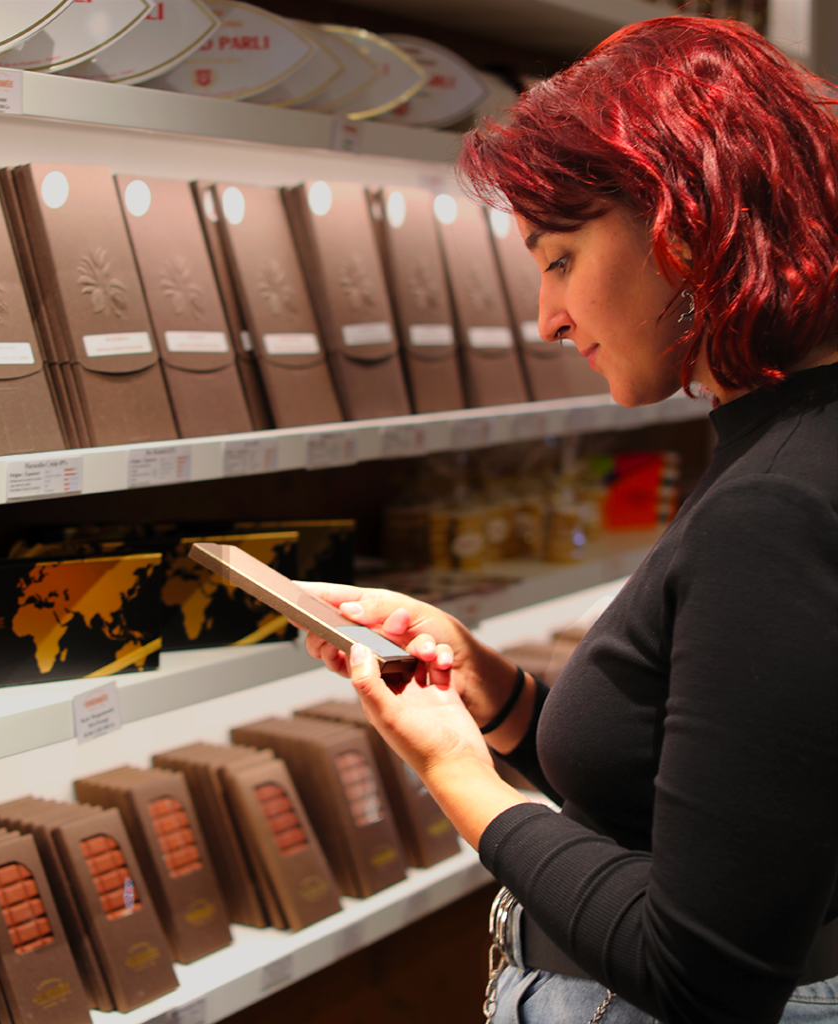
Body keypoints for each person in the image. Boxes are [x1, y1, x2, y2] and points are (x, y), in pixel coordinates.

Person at [301, 17, 837, 1024]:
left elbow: (705, 971)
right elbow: (710, 795)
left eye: (558, 258)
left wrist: (452, 768)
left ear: (685, 222)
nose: (544, 317)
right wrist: (488, 689)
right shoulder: (788, 447)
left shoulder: (772, 506)